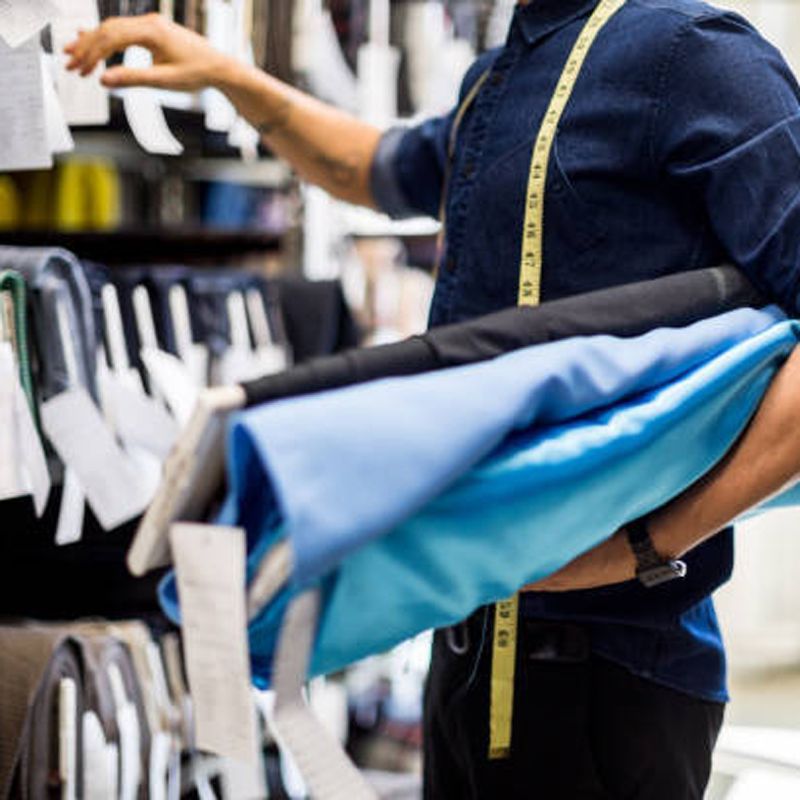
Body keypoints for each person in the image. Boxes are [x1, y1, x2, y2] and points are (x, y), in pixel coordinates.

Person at [67, 2, 800, 797]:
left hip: (610, 670)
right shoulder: (505, 72)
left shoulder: (692, 55)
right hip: (467, 645)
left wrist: (649, 547)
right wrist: (230, 78)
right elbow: (374, 168)